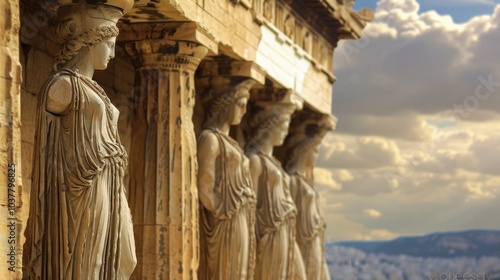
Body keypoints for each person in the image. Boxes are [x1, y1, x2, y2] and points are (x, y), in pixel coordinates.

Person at [23, 3, 136, 279]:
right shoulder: (63, 85)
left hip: (107, 184)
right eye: (109, 44)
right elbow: (48, 148)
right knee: (88, 264)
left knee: (125, 259)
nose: (112, 53)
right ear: (91, 40)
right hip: (80, 190)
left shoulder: (92, 88)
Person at [197, 79, 257, 280]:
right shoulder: (210, 139)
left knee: (239, 273)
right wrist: (224, 210)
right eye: (240, 104)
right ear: (225, 103)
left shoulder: (231, 143)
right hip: (226, 220)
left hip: (239, 218)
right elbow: (205, 189)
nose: (244, 110)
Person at [245, 98, 307, 280]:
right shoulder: (255, 161)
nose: (285, 131)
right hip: (268, 234)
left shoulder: (276, 164)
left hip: (284, 231)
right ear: (269, 126)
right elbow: (251, 205)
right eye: (282, 125)